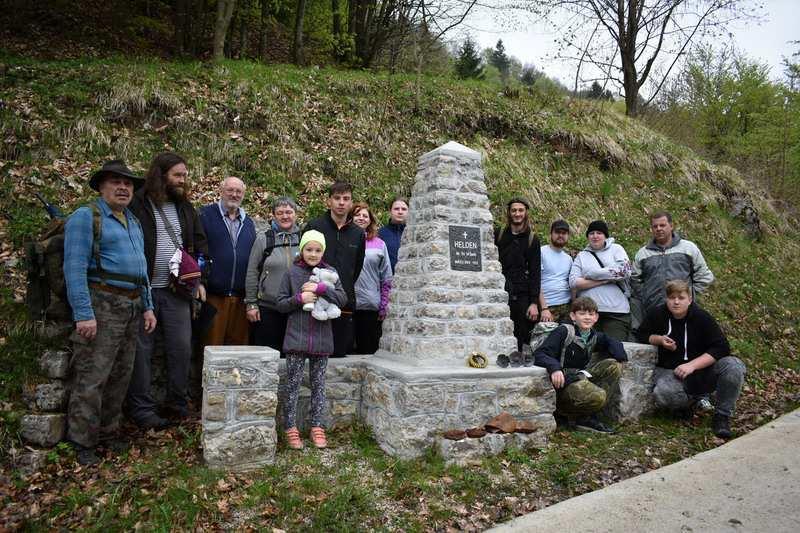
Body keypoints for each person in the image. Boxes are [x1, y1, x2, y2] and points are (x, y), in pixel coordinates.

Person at [63, 160, 156, 465]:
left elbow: (141, 270)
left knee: (120, 375)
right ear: (101, 186)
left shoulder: (132, 221)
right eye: (116, 182)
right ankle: (82, 441)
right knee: (92, 375)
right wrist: (83, 313)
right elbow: (73, 267)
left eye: (128, 183)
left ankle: (108, 433)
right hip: (101, 304)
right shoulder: (85, 217)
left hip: (130, 306)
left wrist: (148, 306)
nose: (123, 188)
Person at [126, 152, 208, 428]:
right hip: (145, 290)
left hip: (177, 292)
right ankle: (141, 409)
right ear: (161, 176)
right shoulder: (137, 203)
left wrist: (197, 279)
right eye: (177, 175)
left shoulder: (185, 207)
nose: (182, 180)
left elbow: (199, 244)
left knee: (181, 348)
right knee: (142, 351)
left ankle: (178, 403)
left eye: (184, 175)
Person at [638, 280, 746, 439]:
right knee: (663, 393)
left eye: (681, 297)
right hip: (671, 372)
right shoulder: (657, 314)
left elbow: (722, 347)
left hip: (702, 371)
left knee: (733, 366)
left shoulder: (702, 317)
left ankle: (722, 415)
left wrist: (692, 365)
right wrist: (659, 340)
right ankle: (690, 403)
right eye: (672, 297)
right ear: (666, 299)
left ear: (689, 299)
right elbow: (641, 335)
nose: (676, 302)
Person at [276, 230, 347, 449]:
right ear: (302, 249)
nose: (313, 254)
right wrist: (300, 298)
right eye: (309, 249)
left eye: (317, 250)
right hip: (296, 339)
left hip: (322, 339)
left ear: (323, 251)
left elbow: (343, 299)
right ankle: (290, 427)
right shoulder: (292, 272)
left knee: (319, 386)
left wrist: (322, 289)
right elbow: (280, 304)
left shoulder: (330, 272)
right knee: (293, 385)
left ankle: (317, 426)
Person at [533, 297, 627, 434]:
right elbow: (540, 353)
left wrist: (621, 358)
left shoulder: (593, 335)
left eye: (591, 314)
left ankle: (587, 416)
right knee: (599, 396)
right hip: (563, 385)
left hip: (580, 379)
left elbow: (612, 342)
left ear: (596, 317)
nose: (587, 317)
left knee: (613, 366)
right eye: (582, 314)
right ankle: (566, 414)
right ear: (573, 316)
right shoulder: (564, 331)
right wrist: (555, 368)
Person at [303, 181, 366, 357]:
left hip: (343, 301)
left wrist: (342, 287)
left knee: (338, 355)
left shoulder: (358, 233)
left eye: (346, 199)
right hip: (315, 301)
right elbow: (303, 261)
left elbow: (357, 267)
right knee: (314, 353)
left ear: (351, 203)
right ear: (329, 201)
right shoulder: (314, 227)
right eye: (337, 198)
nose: (341, 203)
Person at [199, 176, 255, 346]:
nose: (234, 194)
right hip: (213, 297)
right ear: (221, 191)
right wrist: (199, 281)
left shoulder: (249, 223)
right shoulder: (205, 215)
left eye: (239, 191)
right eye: (230, 190)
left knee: (237, 354)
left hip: (240, 299)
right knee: (210, 350)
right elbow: (195, 250)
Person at [245, 196, 301, 352]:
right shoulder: (264, 239)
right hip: (268, 308)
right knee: (266, 355)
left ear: (295, 214)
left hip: (296, 308)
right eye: (280, 213)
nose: (285, 216)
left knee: (293, 355)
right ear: (274, 216)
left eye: (289, 212)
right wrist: (251, 303)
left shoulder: (303, 238)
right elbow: (252, 271)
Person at [632, 211, 714, 314]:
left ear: (671, 226)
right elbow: (634, 279)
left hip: (684, 311)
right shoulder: (643, 254)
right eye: (655, 226)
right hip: (654, 311)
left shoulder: (688, 248)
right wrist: (646, 296)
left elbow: (705, 276)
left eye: (662, 225)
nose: (658, 229)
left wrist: (689, 295)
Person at [569, 220, 632, 341]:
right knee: (587, 351)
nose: (595, 236)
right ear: (588, 236)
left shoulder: (616, 249)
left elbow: (625, 270)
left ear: (605, 236)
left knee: (614, 349)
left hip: (616, 312)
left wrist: (592, 274)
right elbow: (573, 282)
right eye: (591, 233)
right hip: (587, 313)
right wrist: (605, 280)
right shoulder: (582, 256)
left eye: (599, 233)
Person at [495, 197, 541, 350]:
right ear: (509, 212)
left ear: (526, 212)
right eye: (514, 210)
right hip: (500, 290)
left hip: (522, 295)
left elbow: (535, 273)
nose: (517, 213)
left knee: (521, 334)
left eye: (520, 210)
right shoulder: (499, 234)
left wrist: (534, 302)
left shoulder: (532, 239)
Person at [350, 202, 392, 354]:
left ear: (370, 220)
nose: (361, 218)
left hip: (370, 304)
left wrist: (384, 304)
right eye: (357, 214)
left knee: (367, 350)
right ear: (350, 217)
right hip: (347, 304)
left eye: (365, 215)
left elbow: (386, 277)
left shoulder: (379, 244)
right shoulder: (344, 240)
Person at [539, 219, 573, 323]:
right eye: (557, 232)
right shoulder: (541, 252)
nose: (561, 235)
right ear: (551, 234)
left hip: (566, 306)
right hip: (547, 306)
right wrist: (544, 308)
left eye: (564, 233)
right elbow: (534, 280)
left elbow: (571, 282)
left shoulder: (568, 259)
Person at [377, 196, 408, 273]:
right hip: (387, 281)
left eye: (404, 209)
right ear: (390, 211)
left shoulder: (415, 233)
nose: (400, 212)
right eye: (396, 209)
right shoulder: (380, 234)